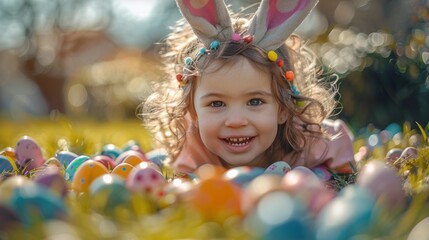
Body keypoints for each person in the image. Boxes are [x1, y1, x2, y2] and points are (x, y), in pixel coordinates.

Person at [141, 0, 355, 175]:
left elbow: (339, 142)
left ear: (283, 108)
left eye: (255, 101)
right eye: (216, 103)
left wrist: (333, 171)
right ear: (192, 111)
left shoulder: (308, 142)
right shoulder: (195, 153)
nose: (236, 121)